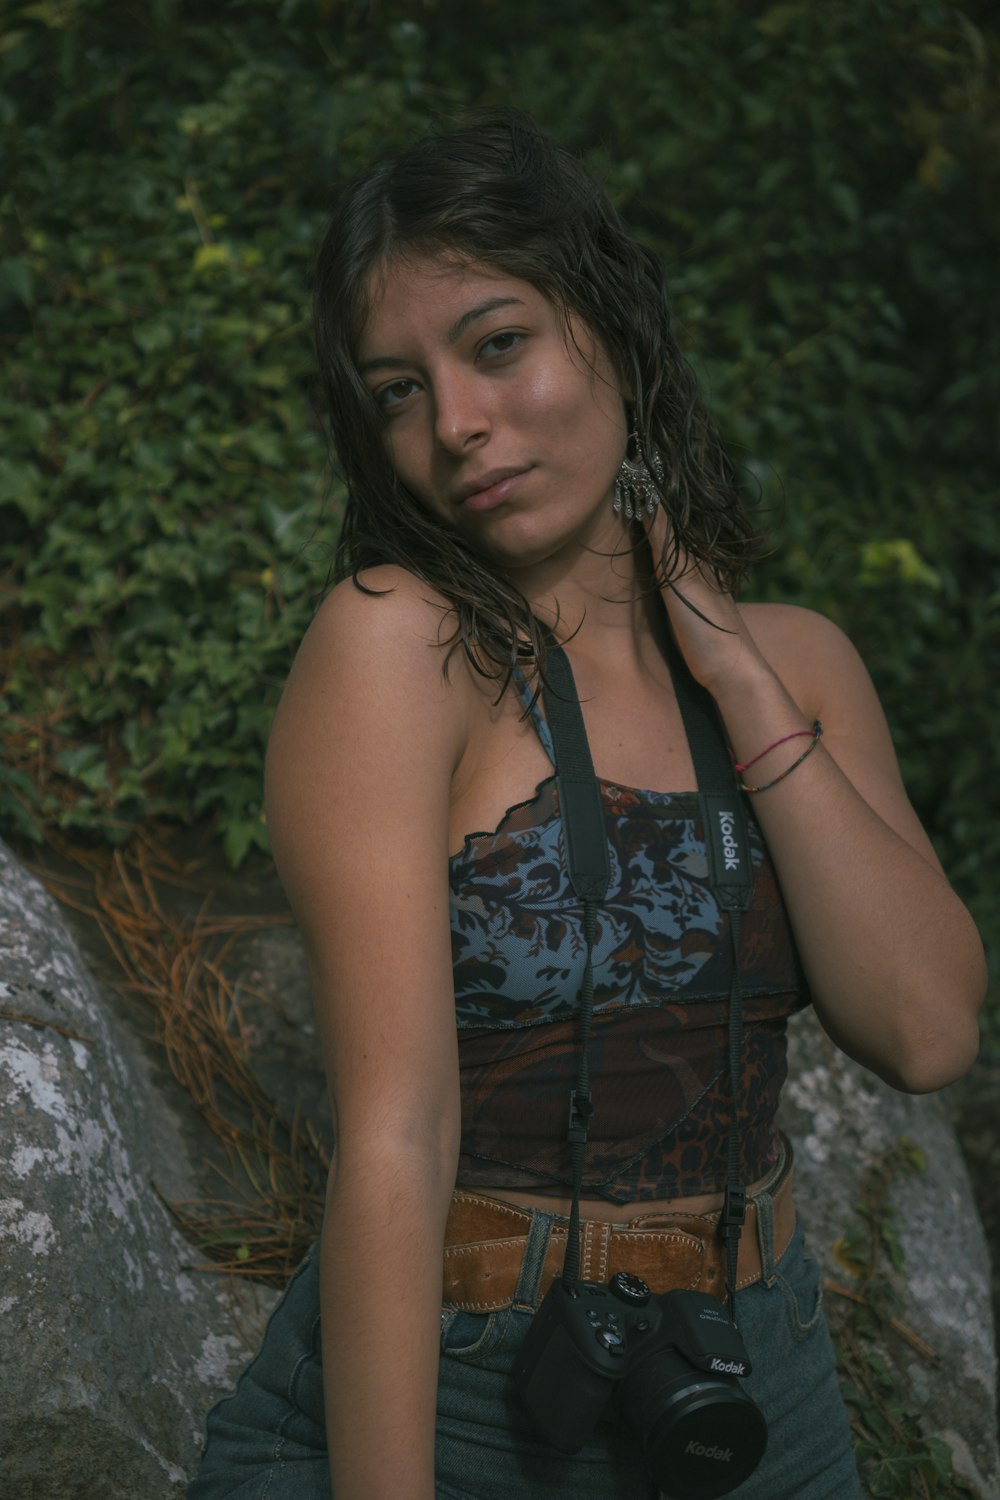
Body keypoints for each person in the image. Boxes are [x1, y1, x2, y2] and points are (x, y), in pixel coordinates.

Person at [188, 110, 986, 1500]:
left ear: (611, 327)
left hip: (747, 1386)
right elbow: (394, 1135)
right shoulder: (393, 647)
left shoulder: (797, 664)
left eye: (497, 344)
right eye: (395, 391)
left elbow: (923, 1029)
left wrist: (733, 674)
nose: (455, 424)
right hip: (457, 1391)